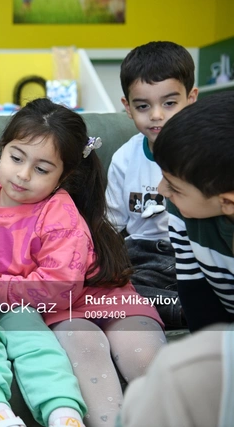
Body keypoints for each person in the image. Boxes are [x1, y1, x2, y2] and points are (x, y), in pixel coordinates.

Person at [0, 98, 166, 427]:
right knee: (85, 347)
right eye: (16, 158)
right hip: (61, 314)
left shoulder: (60, 213)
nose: (22, 175)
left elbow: (51, 290)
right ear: (2, 148)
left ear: (63, 176)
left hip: (104, 298)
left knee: (151, 363)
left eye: (41, 169)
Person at [119, 91, 234, 426]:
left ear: (227, 202)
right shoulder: (182, 211)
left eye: (175, 186)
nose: (161, 190)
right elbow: (195, 289)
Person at [105, 41, 198, 329]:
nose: (156, 115)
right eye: (143, 106)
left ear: (191, 98)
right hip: (143, 259)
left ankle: (187, 305)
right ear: (128, 108)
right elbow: (111, 225)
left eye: (169, 103)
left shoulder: (206, 153)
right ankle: (183, 310)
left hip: (195, 255)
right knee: (109, 295)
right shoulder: (125, 158)